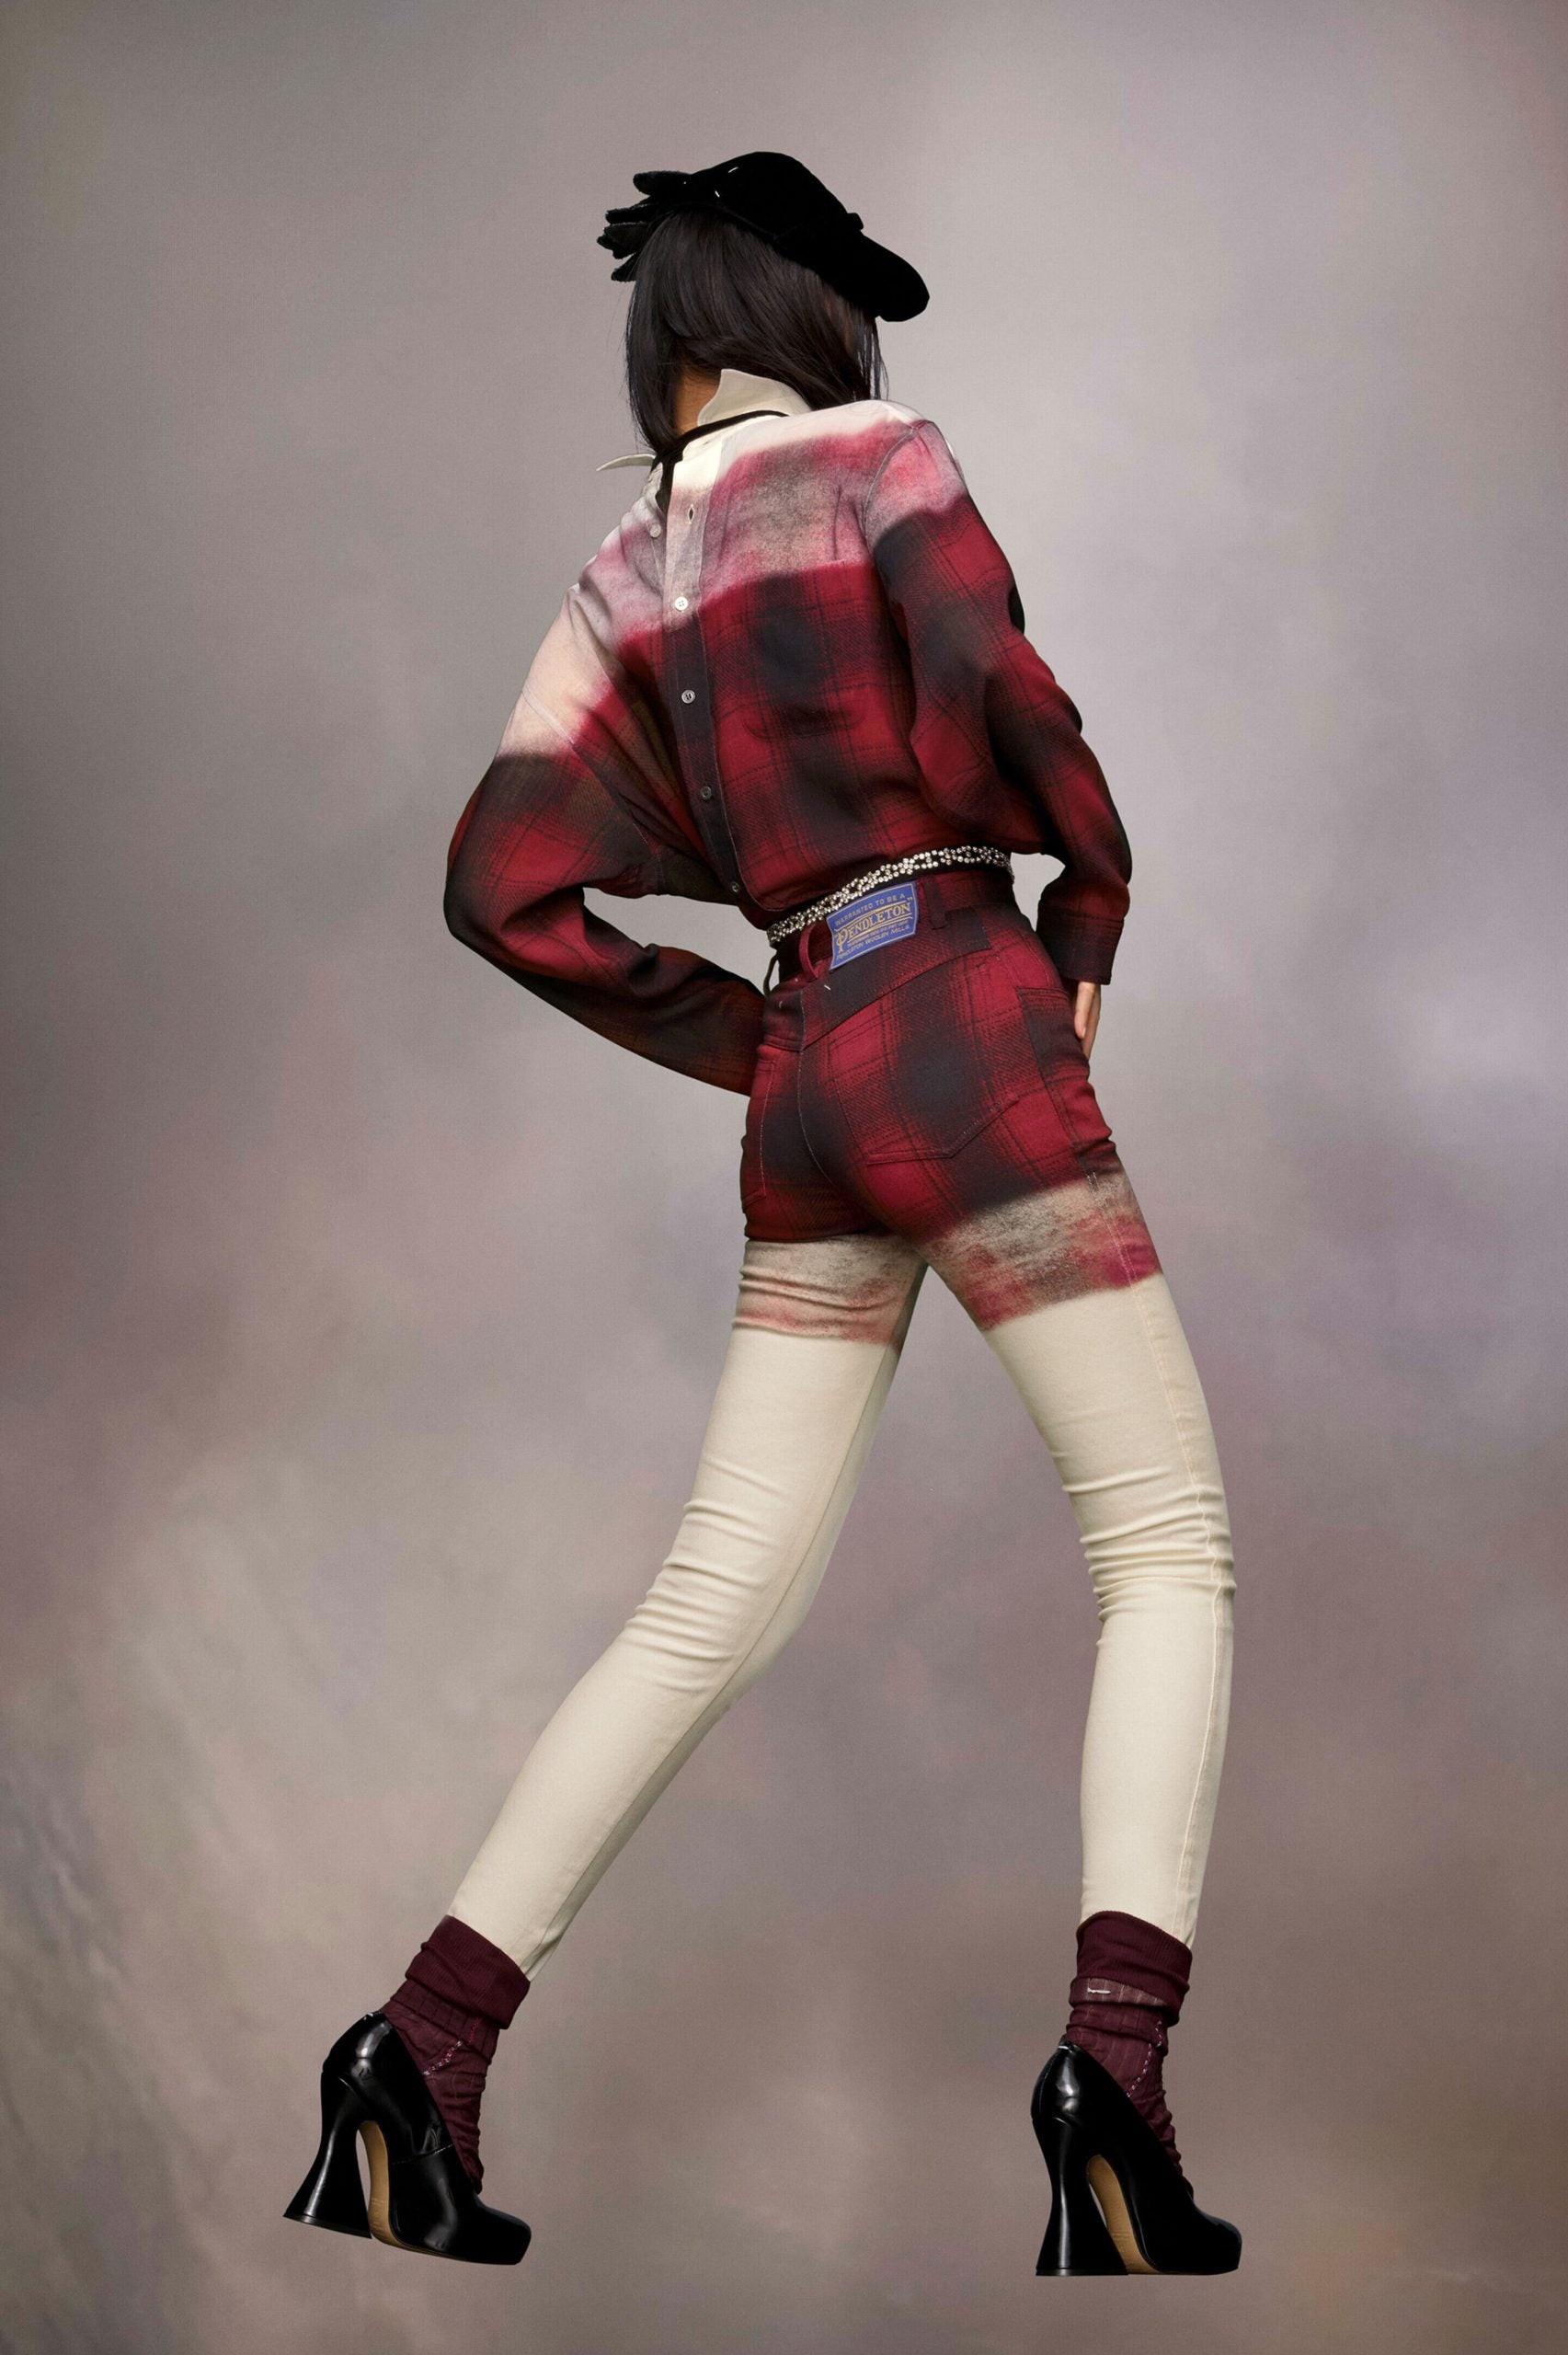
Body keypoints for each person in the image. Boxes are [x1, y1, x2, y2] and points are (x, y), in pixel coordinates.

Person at [283, 150, 1241, 2277]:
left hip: (811, 1068)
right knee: (1163, 1546)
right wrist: (1091, 893)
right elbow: (1004, 686)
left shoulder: (622, 569)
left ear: (669, 337)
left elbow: (499, 885)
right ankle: (1111, 2079)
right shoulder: (881, 463)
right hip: (962, 1019)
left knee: (707, 1600)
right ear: (805, 317)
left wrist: (756, 1037)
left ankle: (415, 2052)